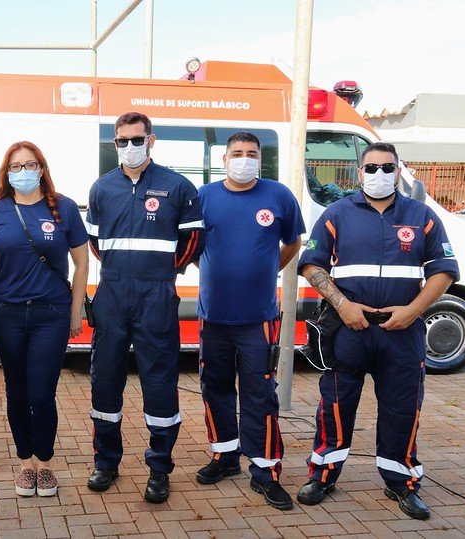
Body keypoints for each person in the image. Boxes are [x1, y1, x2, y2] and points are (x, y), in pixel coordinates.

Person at [296, 142, 458, 520]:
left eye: (387, 167)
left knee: (403, 409)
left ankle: (401, 481)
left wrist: (413, 311)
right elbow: (312, 264)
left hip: (403, 331)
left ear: (399, 171)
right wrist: (342, 304)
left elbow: (444, 270)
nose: (379, 175)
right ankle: (322, 475)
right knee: (335, 406)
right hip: (350, 328)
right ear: (359, 173)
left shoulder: (422, 215)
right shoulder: (337, 213)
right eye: (371, 168)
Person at [85, 112, 204, 503]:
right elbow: (95, 242)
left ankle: (159, 467)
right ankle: (106, 462)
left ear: (151, 140)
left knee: (159, 383)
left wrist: (162, 273)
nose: (130, 147)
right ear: (115, 143)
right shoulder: (102, 188)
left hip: (157, 295)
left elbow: (192, 242)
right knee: (104, 380)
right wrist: (121, 273)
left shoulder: (178, 186)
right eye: (123, 141)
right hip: (113, 294)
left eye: (137, 139)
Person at [194, 132, 304, 511]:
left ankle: (265, 470)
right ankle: (225, 457)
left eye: (251, 154)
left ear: (261, 160)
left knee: (260, 395)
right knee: (215, 388)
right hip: (214, 317)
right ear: (224, 159)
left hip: (258, 318)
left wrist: (268, 267)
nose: (244, 159)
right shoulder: (204, 197)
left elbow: (293, 243)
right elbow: (193, 247)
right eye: (237, 153)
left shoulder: (278, 196)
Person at [0, 141, 89, 498]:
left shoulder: (65, 208)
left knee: (42, 394)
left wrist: (76, 311)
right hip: (8, 314)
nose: (24, 172)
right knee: (17, 392)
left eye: (30, 165)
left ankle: (45, 462)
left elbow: (82, 263)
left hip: (51, 314)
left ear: (42, 169)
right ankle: (26, 463)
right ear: (7, 173)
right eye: (16, 167)